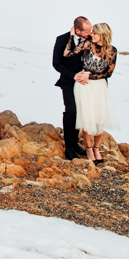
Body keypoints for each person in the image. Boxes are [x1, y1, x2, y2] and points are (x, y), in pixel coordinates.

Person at [72, 22, 120, 164]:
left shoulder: (112, 50)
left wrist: (90, 76)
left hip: (99, 85)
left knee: (100, 118)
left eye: (94, 33)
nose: (91, 34)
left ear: (103, 35)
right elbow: (68, 53)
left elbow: (108, 73)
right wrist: (71, 35)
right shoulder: (87, 45)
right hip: (84, 85)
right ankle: (88, 148)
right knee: (87, 117)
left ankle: (96, 148)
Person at [52, 16, 92, 159]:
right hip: (68, 82)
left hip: (84, 83)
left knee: (80, 112)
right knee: (71, 111)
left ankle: (75, 143)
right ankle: (69, 147)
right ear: (77, 30)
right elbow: (57, 63)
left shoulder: (90, 40)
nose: (90, 33)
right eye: (87, 31)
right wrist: (73, 75)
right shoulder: (62, 40)